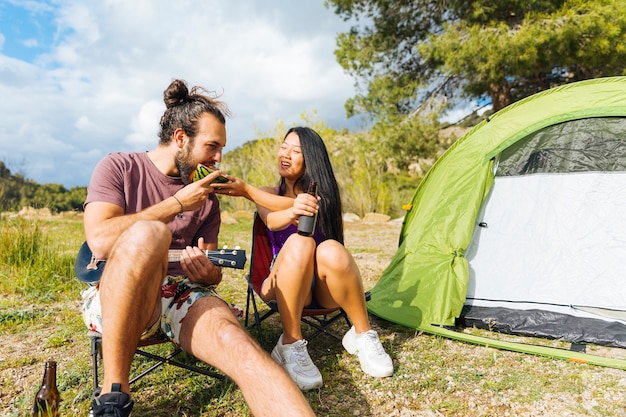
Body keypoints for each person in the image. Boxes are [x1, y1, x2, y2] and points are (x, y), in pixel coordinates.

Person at [80, 79, 315, 417]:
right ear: (180, 138)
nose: (218, 158)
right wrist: (175, 203)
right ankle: (113, 396)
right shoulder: (119, 167)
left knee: (241, 347)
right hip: (117, 291)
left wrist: (209, 273)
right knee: (149, 234)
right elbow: (100, 240)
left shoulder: (207, 199)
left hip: (181, 293)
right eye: (212, 146)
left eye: (221, 149)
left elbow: (213, 272)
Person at [213, 126, 394, 391]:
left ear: (310, 159)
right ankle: (290, 343)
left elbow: (307, 204)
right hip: (281, 281)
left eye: (295, 151)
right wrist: (261, 196)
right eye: (283, 147)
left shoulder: (322, 196)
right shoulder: (266, 192)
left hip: (322, 288)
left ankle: (363, 335)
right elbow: (272, 221)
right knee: (299, 242)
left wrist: (246, 190)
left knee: (331, 248)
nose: (285, 154)